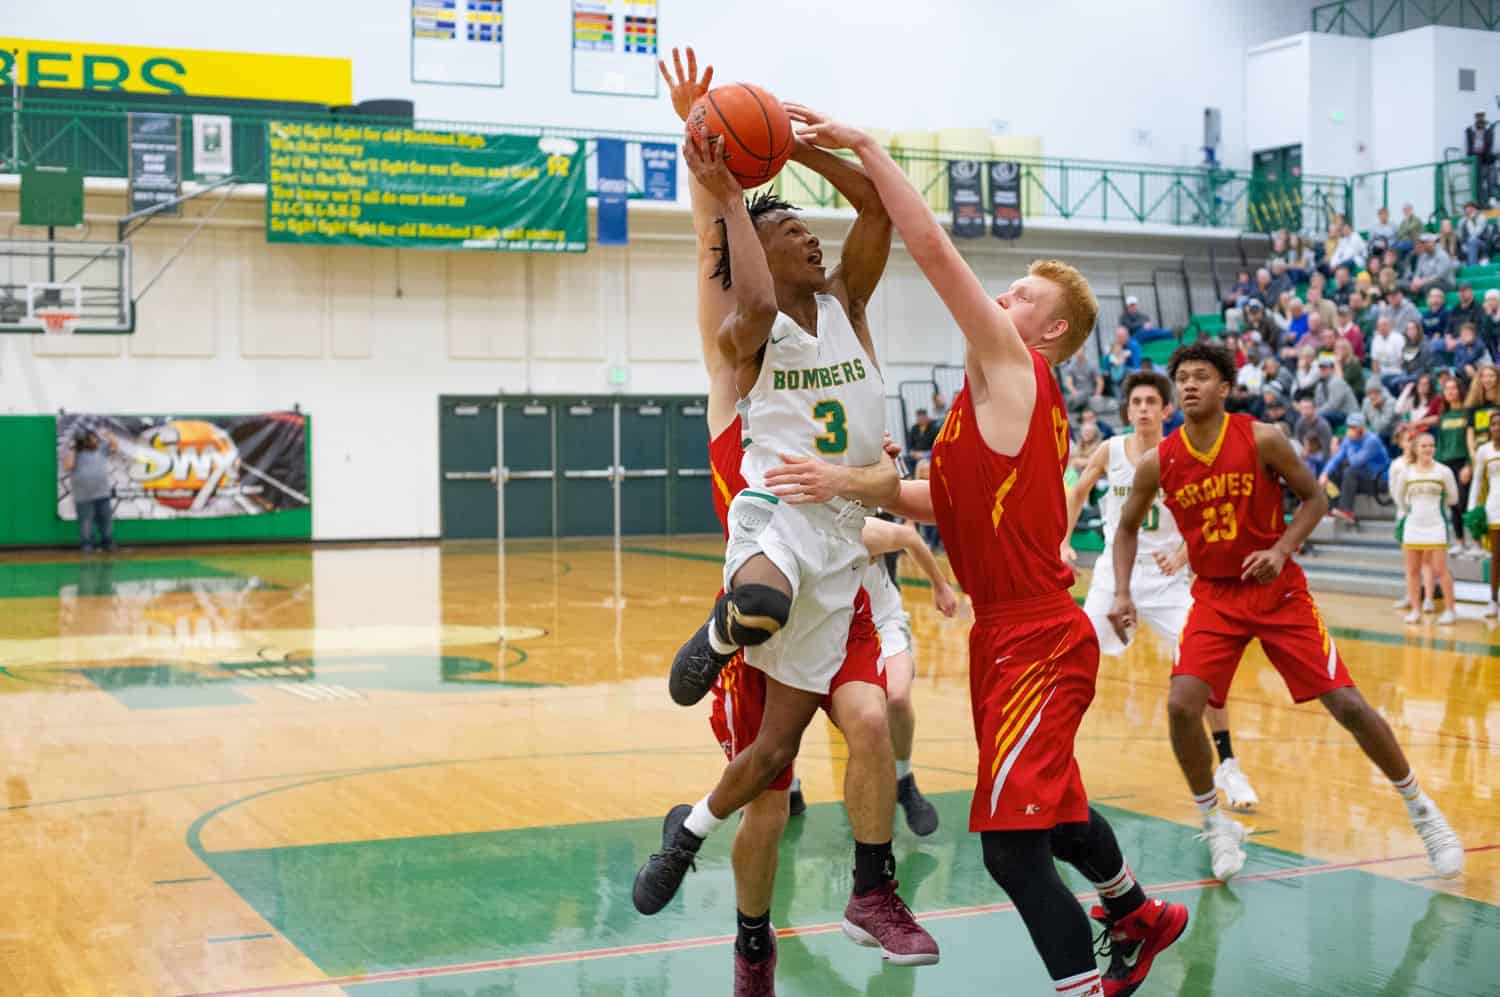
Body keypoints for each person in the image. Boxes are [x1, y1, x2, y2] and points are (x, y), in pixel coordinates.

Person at [793, 107, 1189, 997]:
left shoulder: (1014, 368)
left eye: (1019, 299)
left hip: (1038, 638)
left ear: (1045, 334)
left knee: (1012, 851)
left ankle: (1088, 977)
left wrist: (863, 148)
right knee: (1057, 813)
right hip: (1008, 638)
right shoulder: (996, 410)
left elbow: (931, 248)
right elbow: (950, 506)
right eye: (1006, 293)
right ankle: (1138, 915)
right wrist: (846, 480)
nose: (1000, 302)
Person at [639, 50, 935, 994]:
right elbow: (726, 267)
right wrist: (712, 167)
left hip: (842, 565)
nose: (811, 237)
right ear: (759, 253)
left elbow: (881, 211)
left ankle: (867, 888)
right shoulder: (742, 340)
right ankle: (753, 934)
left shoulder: (848, 306)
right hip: (768, 544)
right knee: (767, 791)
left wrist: (813, 148)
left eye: (813, 228)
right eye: (794, 228)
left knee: (870, 721)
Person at [1108, 342, 1463, 885]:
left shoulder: (1263, 438)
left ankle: (1422, 810)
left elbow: (1315, 500)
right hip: (1215, 596)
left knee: (1346, 703)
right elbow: (1127, 526)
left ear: (1225, 387)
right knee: (1182, 705)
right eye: (1181, 378)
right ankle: (1214, 821)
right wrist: (1122, 594)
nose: (1188, 386)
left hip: (1277, 593)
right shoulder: (1161, 460)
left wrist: (1280, 550)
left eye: (1201, 376)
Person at [1064, 371, 1261, 809]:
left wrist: (1183, 552)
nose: (1144, 409)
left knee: (1203, 672)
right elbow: (1076, 493)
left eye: (1152, 402)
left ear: (1166, 410)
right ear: (1128, 409)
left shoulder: (1185, 455)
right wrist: (1062, 541)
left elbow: (1211, 517)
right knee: (1071, 660)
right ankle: (1052, 761)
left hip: (1168, 582)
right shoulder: (1110, 449)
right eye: (1136, 402)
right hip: (1114, 577)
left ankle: (1229, 768)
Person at [859, 521, 961, 835]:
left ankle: (903, 780)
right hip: (832, 631)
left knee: (897, 697)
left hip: (881, 623)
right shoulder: (795, 532)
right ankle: (784, 788)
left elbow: (910, 536)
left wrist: (940, 585)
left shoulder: (864, 531)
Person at [1396, 434, 1460, 624]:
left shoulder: (1444, 471)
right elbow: (1400, 499)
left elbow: (1453, 498)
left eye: (1431, 445)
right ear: (1416, 449)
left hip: (1436, 525)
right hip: (1413, 525)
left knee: (1441, 569)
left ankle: (1450, 610)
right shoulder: (1407, 472)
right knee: (1412, 570)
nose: (1428, 449)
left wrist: (1435, 507)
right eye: (1424, 446)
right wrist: (1411, 512)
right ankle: (1416, 610)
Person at [1320, 412, 1390, 525]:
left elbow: (1355, 462)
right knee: (1332, 474)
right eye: (1349, 427)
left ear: (1361, 429)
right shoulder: (1349, 440)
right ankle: (1334, 507)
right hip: (1363, 477)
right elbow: (1336, 459)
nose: (1349, 430)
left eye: (1353, 427)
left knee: (1350, 471)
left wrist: (1350, 443)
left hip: (1380, 481)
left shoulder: (1372, 441)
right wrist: (1324, 473)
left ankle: (1346, 510)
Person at [1434, 375, 1476, 557]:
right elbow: (1440, 444)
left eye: (1454, 388)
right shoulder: (1443, 417)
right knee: (1453, 504)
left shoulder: (1468, 414)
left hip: (1462, 463)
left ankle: (1476, 541)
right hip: (1445, 464)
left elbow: (1471, 443)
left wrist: (1469, 464)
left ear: (1460, 390)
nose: (1450, 391)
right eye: (1447, 389)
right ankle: (1459, 542)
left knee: (1464, 503)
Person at [63, 429, 118, 553]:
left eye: (95, 438)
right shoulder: (74, 452)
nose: (95, 440)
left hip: (103, 493)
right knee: (86, 523)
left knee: (106, 521)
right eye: (92, 438)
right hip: (83, 496)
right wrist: (73, 447)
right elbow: (68, 466)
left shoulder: (101, 449)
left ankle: (107, 543)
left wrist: (109, 435)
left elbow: (115, 446)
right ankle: (87, 545)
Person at [1466, 417, 1500, 616]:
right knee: (1497, 556)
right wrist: (1472, 509)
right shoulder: (1484, 450)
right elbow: (1477, 481)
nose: (1498, 427)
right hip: (1494, 507)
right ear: (1489, 429)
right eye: (1494, 424)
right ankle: (1493, 601)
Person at [1465, 362, 1500, 458]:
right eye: (1484, 376)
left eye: (1492, 376)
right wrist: (1473, 455)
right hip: (1481, 449)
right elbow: (1470, 432)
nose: (1487, 380)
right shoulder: (1473, 404)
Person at [1467, 111, 1497, 206]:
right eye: (1478, 116)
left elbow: (1495, 145)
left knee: (1492, 182)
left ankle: (1493, 201)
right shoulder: (1470, 130)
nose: (1480, 118)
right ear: (1475, 118)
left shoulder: (1490, 129)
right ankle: (1482, 204)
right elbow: (1467, 146)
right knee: (1479, 185)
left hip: (1490, 161)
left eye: (1482, 116)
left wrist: (1494, 155)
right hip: (1477, 162)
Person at [1368, 315, 1405, 382]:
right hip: (1382, 372)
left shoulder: (1398, 338)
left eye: (1384, 325)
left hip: (1396, 371)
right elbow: (1375, 361)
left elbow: (1402, 360)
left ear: (1389, 325)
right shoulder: (1376, 339)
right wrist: (1376, 377)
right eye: (1380, 326)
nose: (1382, 327)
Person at [1458, 202, 1490, 266]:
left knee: (1472, 241)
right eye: (1467, 210)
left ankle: (1473, 266)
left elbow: (1475, 234)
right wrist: (1464, 245)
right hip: (1468, 246)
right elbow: (1460, 236)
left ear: (1475, 209)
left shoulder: (1481, 217)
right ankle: (1465, 262)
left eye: (1471, 210)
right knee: (1464, 246)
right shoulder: (1462, 221)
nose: (1469, 212)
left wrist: (1470, 220)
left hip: (1482, 244)